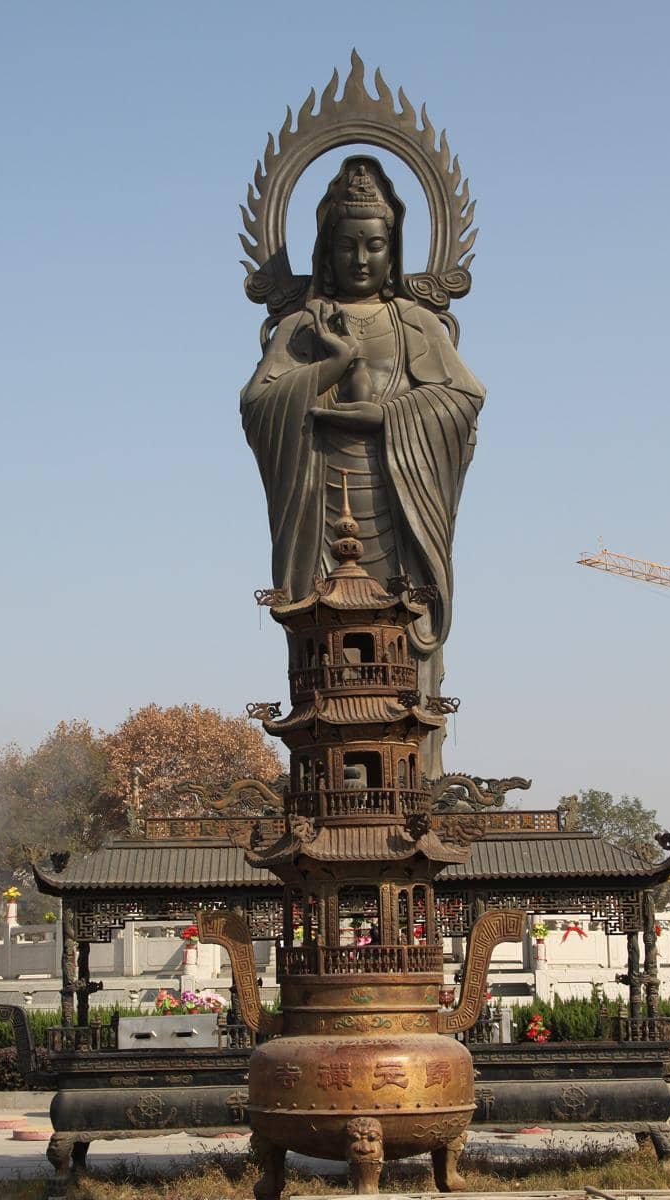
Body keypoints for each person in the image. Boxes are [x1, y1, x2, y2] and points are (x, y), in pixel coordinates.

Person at [242, 157, 485, 778]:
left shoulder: (415, 323)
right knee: (328, 644)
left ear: (394, 249)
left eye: (375, 245)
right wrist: (333, 361)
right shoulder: (301, 326)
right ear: (325, 249)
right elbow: (261, 403)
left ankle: (417, 779)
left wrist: (383, 418)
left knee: (406, 638)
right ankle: (327, 775)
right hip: (320, 502)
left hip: (400, 498)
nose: (360, 258)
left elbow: (460, 399)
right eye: (347, 244)